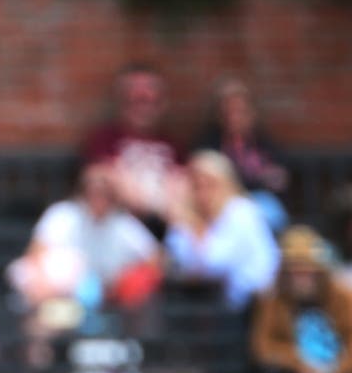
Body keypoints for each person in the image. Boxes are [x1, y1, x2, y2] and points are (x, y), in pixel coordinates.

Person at [7, 161, 161, 340]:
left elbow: (155, 258)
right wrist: (47, 288)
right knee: (40, 315)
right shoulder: (63, 215)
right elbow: (35, 254)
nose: (98, 198)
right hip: (62, 299)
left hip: (108, 301)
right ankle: (41, 360)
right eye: (93, 191)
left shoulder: (124, 225)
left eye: (104, 193)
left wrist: (123, 284)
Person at [164, 150, 279, 310]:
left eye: (211, 185)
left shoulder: (241, 211)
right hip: (208, 307)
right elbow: (178, 262)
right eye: (196, 186)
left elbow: (213, 265)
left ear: (226, 183)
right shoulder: (190, 216)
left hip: (251, 308)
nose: (203, 194)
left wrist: (195, 228)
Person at [81, 64, 184, 239]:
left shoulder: (172, 143)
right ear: (121, 101)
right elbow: (101, 176)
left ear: (162, 103)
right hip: (121, 225)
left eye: (150, 101)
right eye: (135, 101)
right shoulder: (105, 139)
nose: (142, 107)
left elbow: (182, 182)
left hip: (168, 224)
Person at [250, 226, 352, 373]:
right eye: (296, 272)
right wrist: (297, 364)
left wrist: (337, 371)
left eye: (307, 272)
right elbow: (263, 347)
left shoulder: (343, 297)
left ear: (319, 272)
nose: (302, 279)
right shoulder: (273, 301)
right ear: (285, 274)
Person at [195, 77, 290, 233]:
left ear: (252, 114)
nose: (235, 118)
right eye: (229, 112)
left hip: (258, 202)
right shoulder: (209, 143)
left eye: (241, 111)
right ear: (219, 115)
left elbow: (279, 176)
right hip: (223, 204)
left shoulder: (262, 142)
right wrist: (257, 179)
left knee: (270, 213)